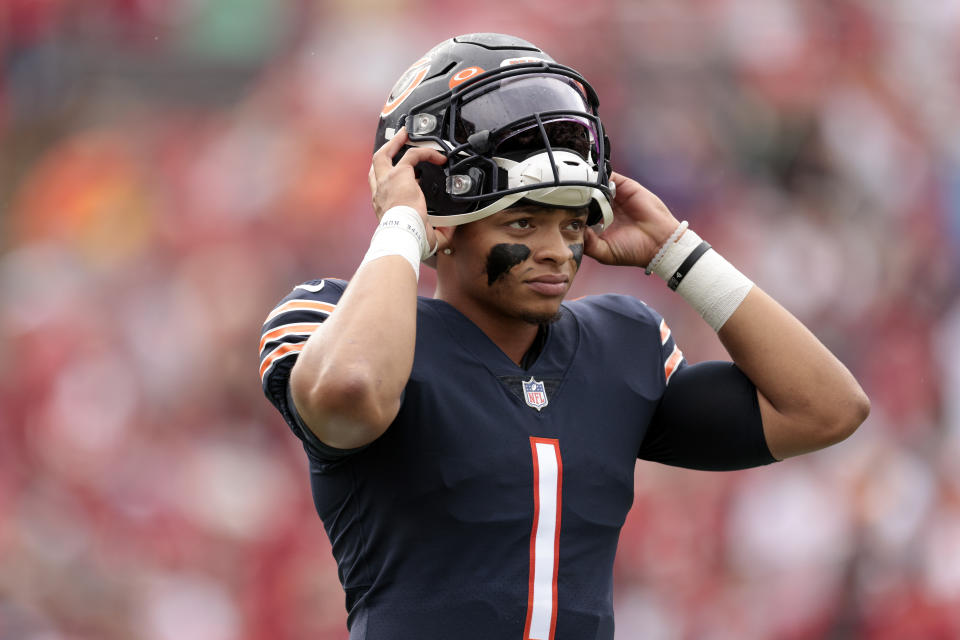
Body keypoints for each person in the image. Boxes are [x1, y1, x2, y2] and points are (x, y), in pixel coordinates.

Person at [258, 33, 870, 639]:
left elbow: (827, 410)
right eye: (524, 220)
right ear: (442, 217)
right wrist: (400, 229)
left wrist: (680, 255)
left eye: (573, 222)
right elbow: (350, 392)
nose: (556, 251)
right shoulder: (332, 319)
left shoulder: (621, 345)